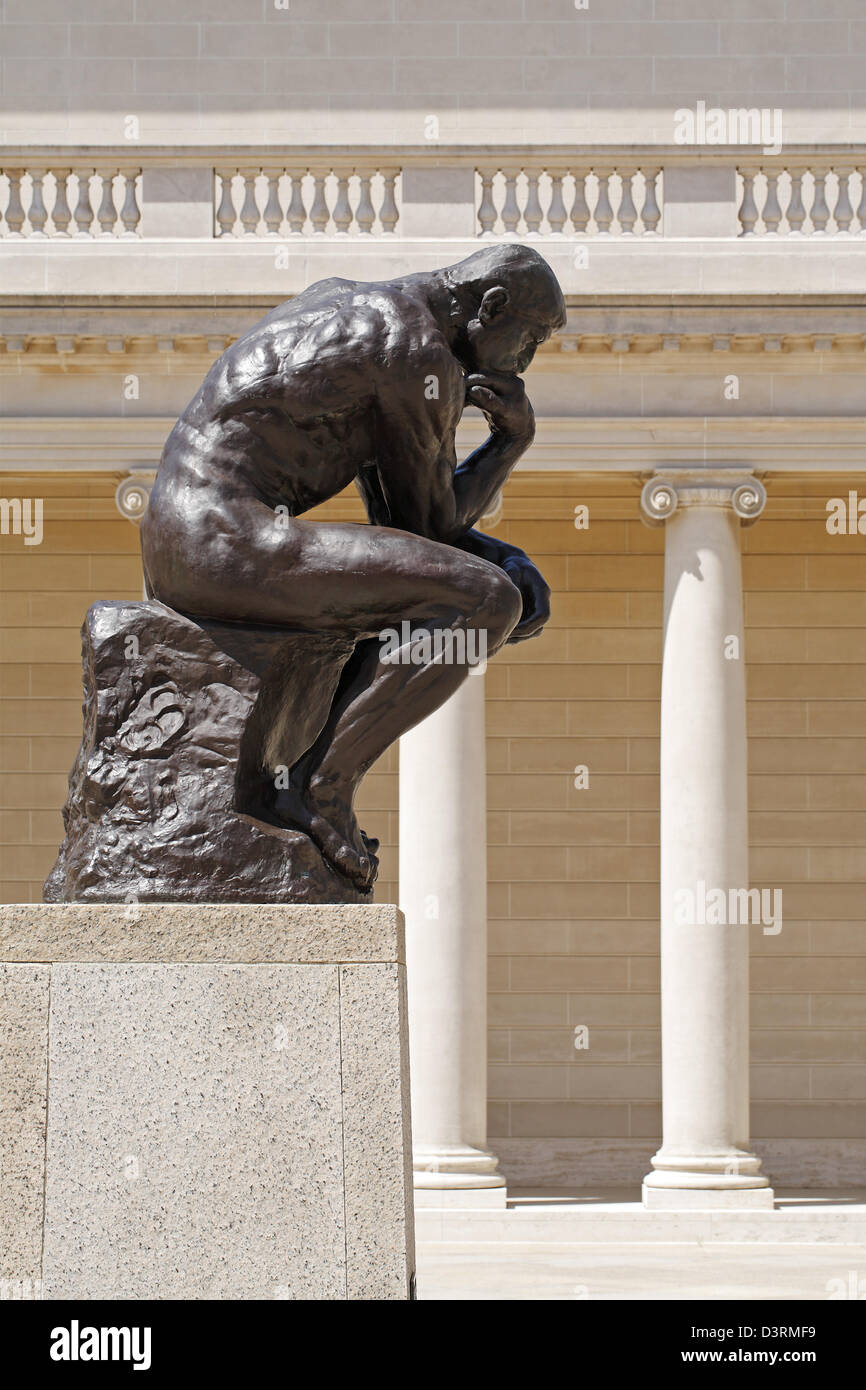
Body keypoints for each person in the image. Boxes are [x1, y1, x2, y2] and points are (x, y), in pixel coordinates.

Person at [141, 244, 567, 890]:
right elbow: (432, 529)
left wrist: (504, 557)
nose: (527, 363)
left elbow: (405, 528)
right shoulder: (417, 350)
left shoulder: (366, 308)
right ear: (492, 307)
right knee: (488, 603)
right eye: (530, 340)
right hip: (222, 535)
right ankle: (322, 789)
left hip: (187, 533)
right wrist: (512, 442)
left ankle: (306, 782)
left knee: (476, 587)